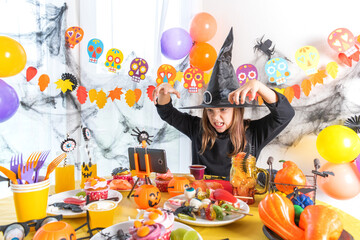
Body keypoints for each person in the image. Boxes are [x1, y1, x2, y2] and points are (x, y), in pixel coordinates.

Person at [153, 28, 295, 178]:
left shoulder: (254, 133)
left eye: (223, 110)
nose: (216, 117)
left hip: (240, 198)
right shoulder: (197, 128)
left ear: (236, 109)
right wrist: (163, 94)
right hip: (202, 198)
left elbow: (285, 114)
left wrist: (259, 87)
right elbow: (167, 112)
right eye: (211, 111)